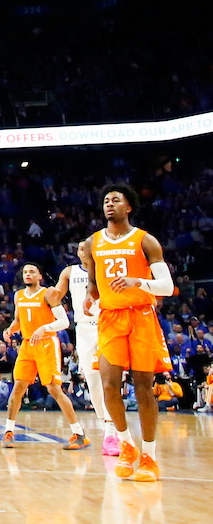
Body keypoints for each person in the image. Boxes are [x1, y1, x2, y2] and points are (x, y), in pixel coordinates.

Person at [82, 185, 174, 482]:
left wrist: (138, 282)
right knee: (109, 383)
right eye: (106, 200)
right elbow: (94, 278)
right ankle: (126, 445)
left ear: (128, 207)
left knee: (143, 386)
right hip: (110, 318)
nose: (110, 204)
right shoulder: (93, 242)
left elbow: (166, 286)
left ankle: (149, 455)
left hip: (142, 316)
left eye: (116, 200)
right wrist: (89, 294)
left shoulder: (146, 241)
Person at [1, 263, 89, 450]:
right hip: (27, 345)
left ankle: (79, 434)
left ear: (39, 276)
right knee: (18, 388)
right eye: (25, 272)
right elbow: (18, 321)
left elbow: (64, 322)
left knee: (54, 390)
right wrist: (9, 330)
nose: (28, 274)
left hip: (47, 343)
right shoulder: (19, 296)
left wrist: (45, 328)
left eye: (32, 271)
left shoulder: (48, 294)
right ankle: (9, 431)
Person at [54, 246, 117, 455]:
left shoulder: (106, 269)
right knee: (92, 378)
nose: (84, 250)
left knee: (110, 378)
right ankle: (106, 423)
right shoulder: (70, 272)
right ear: (78, 253)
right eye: (81, 248)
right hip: (83, 329)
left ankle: (112, 430)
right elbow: (55, 296)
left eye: (87, 247)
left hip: (108, 325)